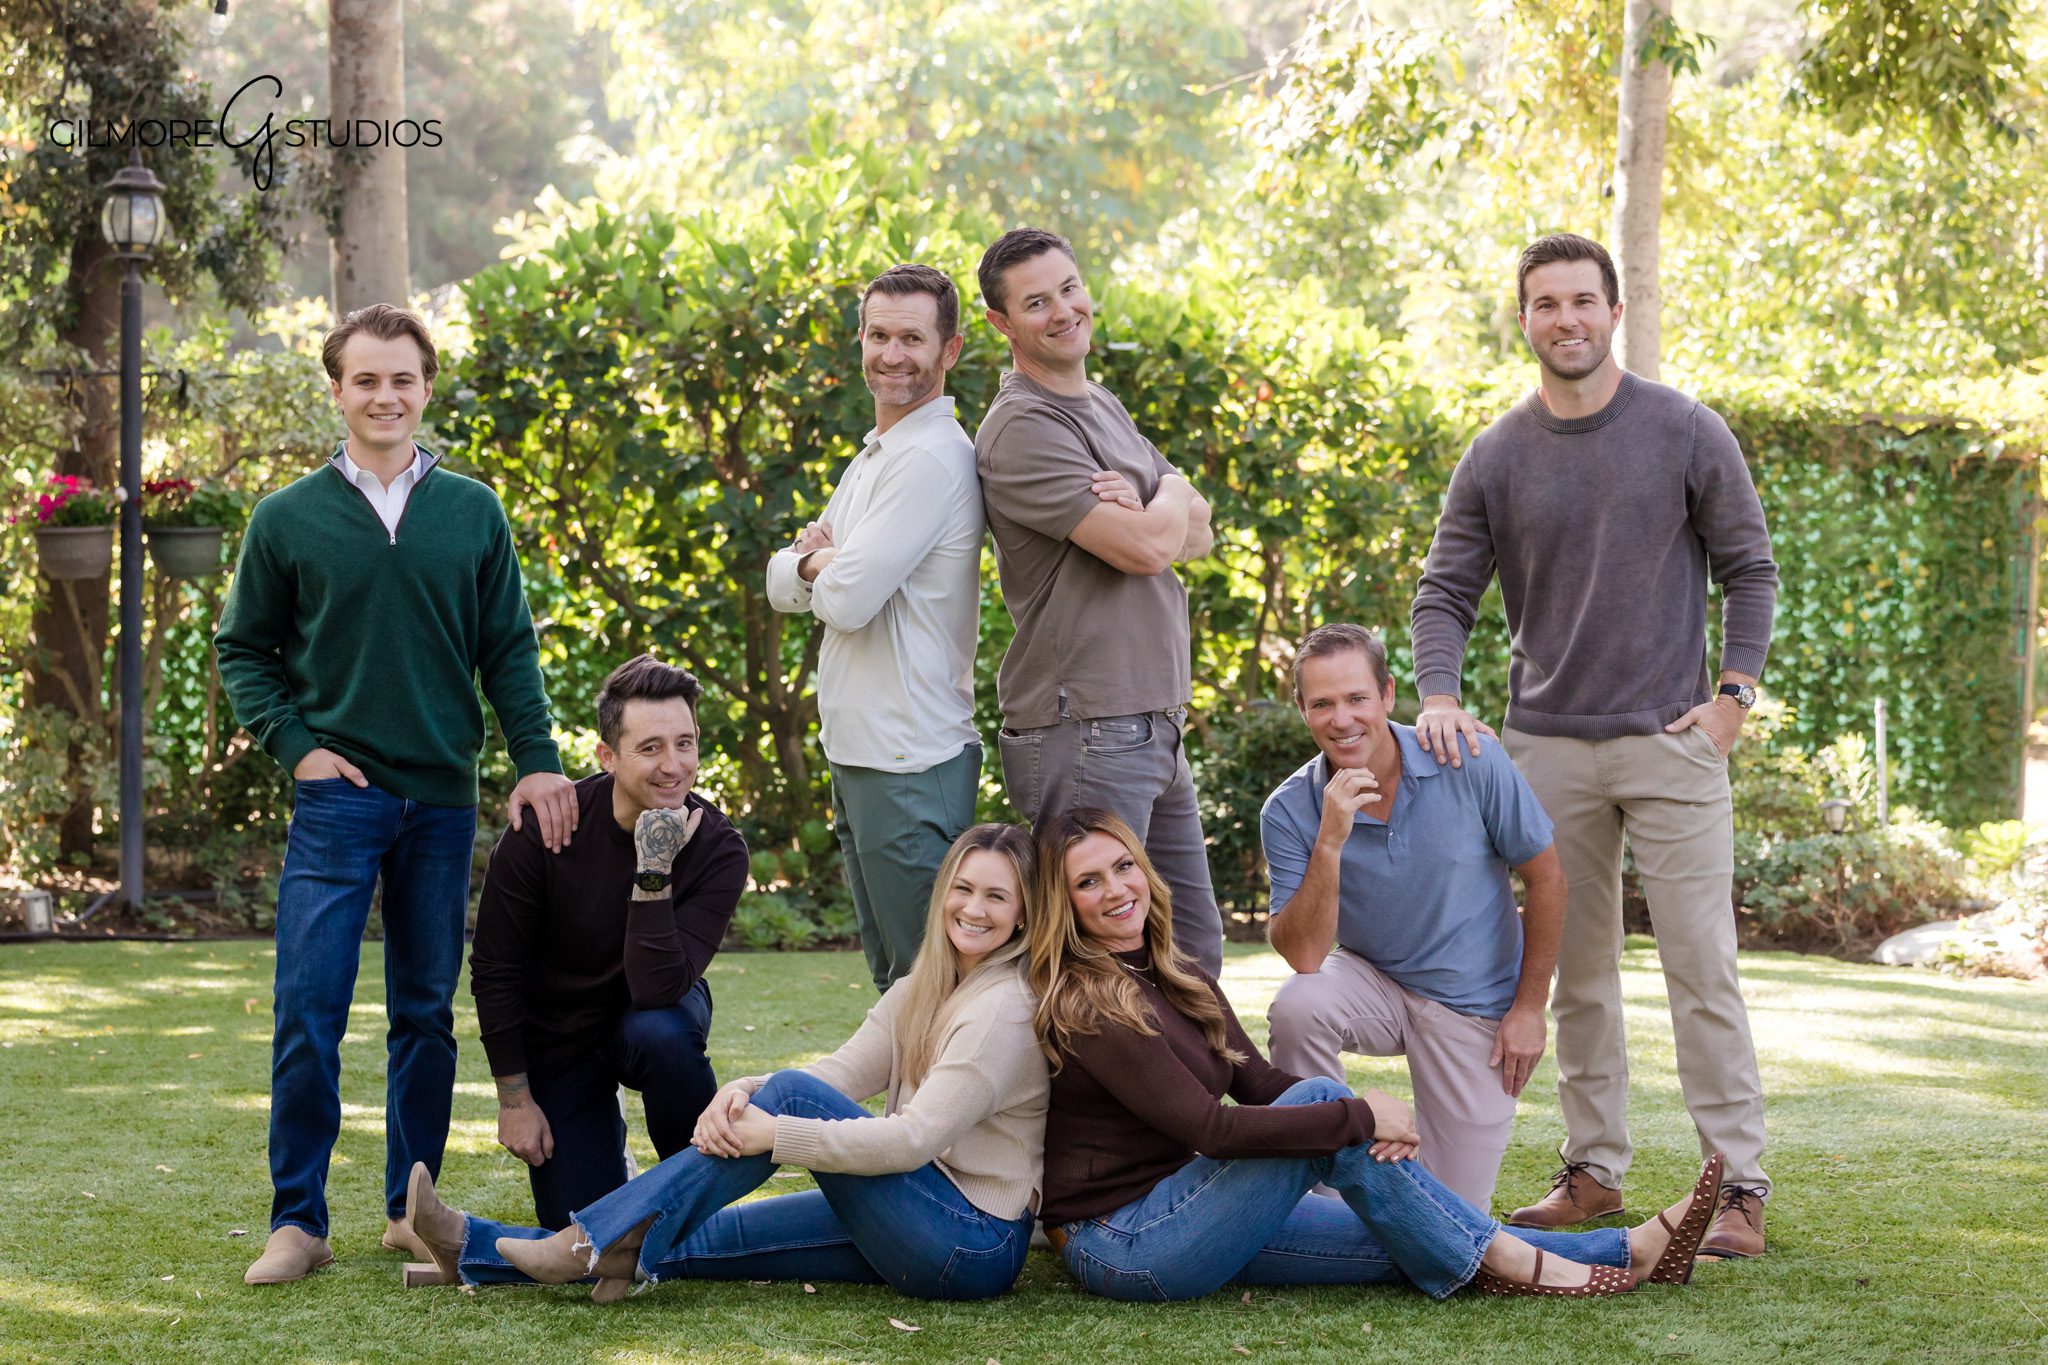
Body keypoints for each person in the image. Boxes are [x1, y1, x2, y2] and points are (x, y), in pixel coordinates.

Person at [1409, 232, 1779, 1256]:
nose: (1564, 319)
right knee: (1572, 973)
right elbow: (1442, 592)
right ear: (1519, 319)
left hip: (1670, 745)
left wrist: (1729, 700)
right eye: (1544, 304)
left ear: (1613, 312)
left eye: (1582, 300)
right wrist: (1437, 694)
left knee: (1700, 965)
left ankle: (1736, 1186)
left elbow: (1750, 569)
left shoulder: (1685, 430)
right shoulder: (1494, 453)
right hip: (1544, 750)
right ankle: (1592, 1171)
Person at [217, 303, 577, 1286]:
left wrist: (535, 757)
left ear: (425, 389)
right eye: (365, 379)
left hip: (441, 798)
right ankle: (299, 1222)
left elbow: (507, 649)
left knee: (424, 1012)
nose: (384, 396)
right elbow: (243, 650)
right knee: (308, 1009)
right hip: (339, 799)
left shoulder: (472, 511)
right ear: (335, 390)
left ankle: (406, 1211)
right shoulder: (286, 519)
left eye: (402, 379)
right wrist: (297, 748)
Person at [1029, 807, 1722, 1302]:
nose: (1117, 889)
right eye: (1088, 881)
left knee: (1406, 1233)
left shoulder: (1179, 974)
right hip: (1123, 1242)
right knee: (1329, 1106)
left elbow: (1260, 1081)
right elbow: (1210, 1129)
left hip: (1199, 1207)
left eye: (1123, 865)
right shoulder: (1093, 1003)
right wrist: (1357, 1116)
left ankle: (1628, 1251)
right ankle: (1527, 1267)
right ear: (1065, 903)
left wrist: (1352, 1123)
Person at [403, 824, 1048, 1304]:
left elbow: (915, 1139)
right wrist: (748, 1090)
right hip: (911, 1214)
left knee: (790, 1097)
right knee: (702, 1238)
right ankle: (471, 1246)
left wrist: (782, 1130)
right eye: (962, 888)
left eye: (997, 896)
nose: (973, 908)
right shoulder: (924, 987)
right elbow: (841, 1074)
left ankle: (583, 1239)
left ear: (1023, 915)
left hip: (970, 1242)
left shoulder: (1002, 1011)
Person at [974, 226, 1225, 976]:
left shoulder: (1100, 403)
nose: (1063, 310)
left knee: (1190, 953)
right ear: (1001, 323)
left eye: (1069, 288)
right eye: (1036, 302)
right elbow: (1149, 549)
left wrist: (1162, 493)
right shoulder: (1023, 427)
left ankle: (1200, 1099)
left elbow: (1201, 529)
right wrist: (1164, 501)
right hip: (1084, 727)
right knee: (1100, 966)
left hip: (1150, 721)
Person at [1262, 624, 1563, 1211]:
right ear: (1302, 710)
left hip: (1471, 1006)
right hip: (1374, 984)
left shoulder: (1469, 758)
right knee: (1299, 1003)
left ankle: (1396, 1166)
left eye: (1356, 699)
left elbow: (1547, 878)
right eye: (1322, 704)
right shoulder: (1290, 808)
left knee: (1450, 1217)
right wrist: (1329, 840)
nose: (1342, 720)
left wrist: (1529, 1008)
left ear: (1387, 694)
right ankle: (1321, 1196)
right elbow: (1304, 957)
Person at [469, 654, 749, 1229]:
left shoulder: (718, 846)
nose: (674, 767)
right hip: (561, 1036)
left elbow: (659, 987)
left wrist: (655, 863)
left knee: (664, 1032)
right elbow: (495, 969)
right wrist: (516, 1101)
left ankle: (694, 1190)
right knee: (577, 1227)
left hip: (650, 1013)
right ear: (607, 756)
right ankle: (605, 1161)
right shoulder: (543, 834)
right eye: (650, 749)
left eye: (685, 744)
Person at [766, 264, 985, 992]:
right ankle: (905, 1111)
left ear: (949, 350)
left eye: (912, 338)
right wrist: (817, 565)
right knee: (899, 985)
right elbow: (789, 584)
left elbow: (849, 599)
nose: (892, 354)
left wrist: (820, 559)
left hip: (909, 759)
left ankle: (943, 1112)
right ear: (860, 337)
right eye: (880, 334)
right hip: (864, 755)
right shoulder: (877, 456)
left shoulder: (929, 457)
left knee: (931, 988)